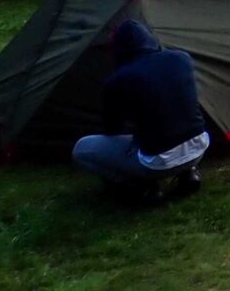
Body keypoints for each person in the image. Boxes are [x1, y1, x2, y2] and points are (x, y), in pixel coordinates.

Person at [72, 19, 209, 199]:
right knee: (176, 122)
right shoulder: (182, 58)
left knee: (81, 149)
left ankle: (141, 185)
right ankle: (189, 172)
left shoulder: (119, 80)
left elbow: (112, 129)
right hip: (199, 147)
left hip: (157, 162)